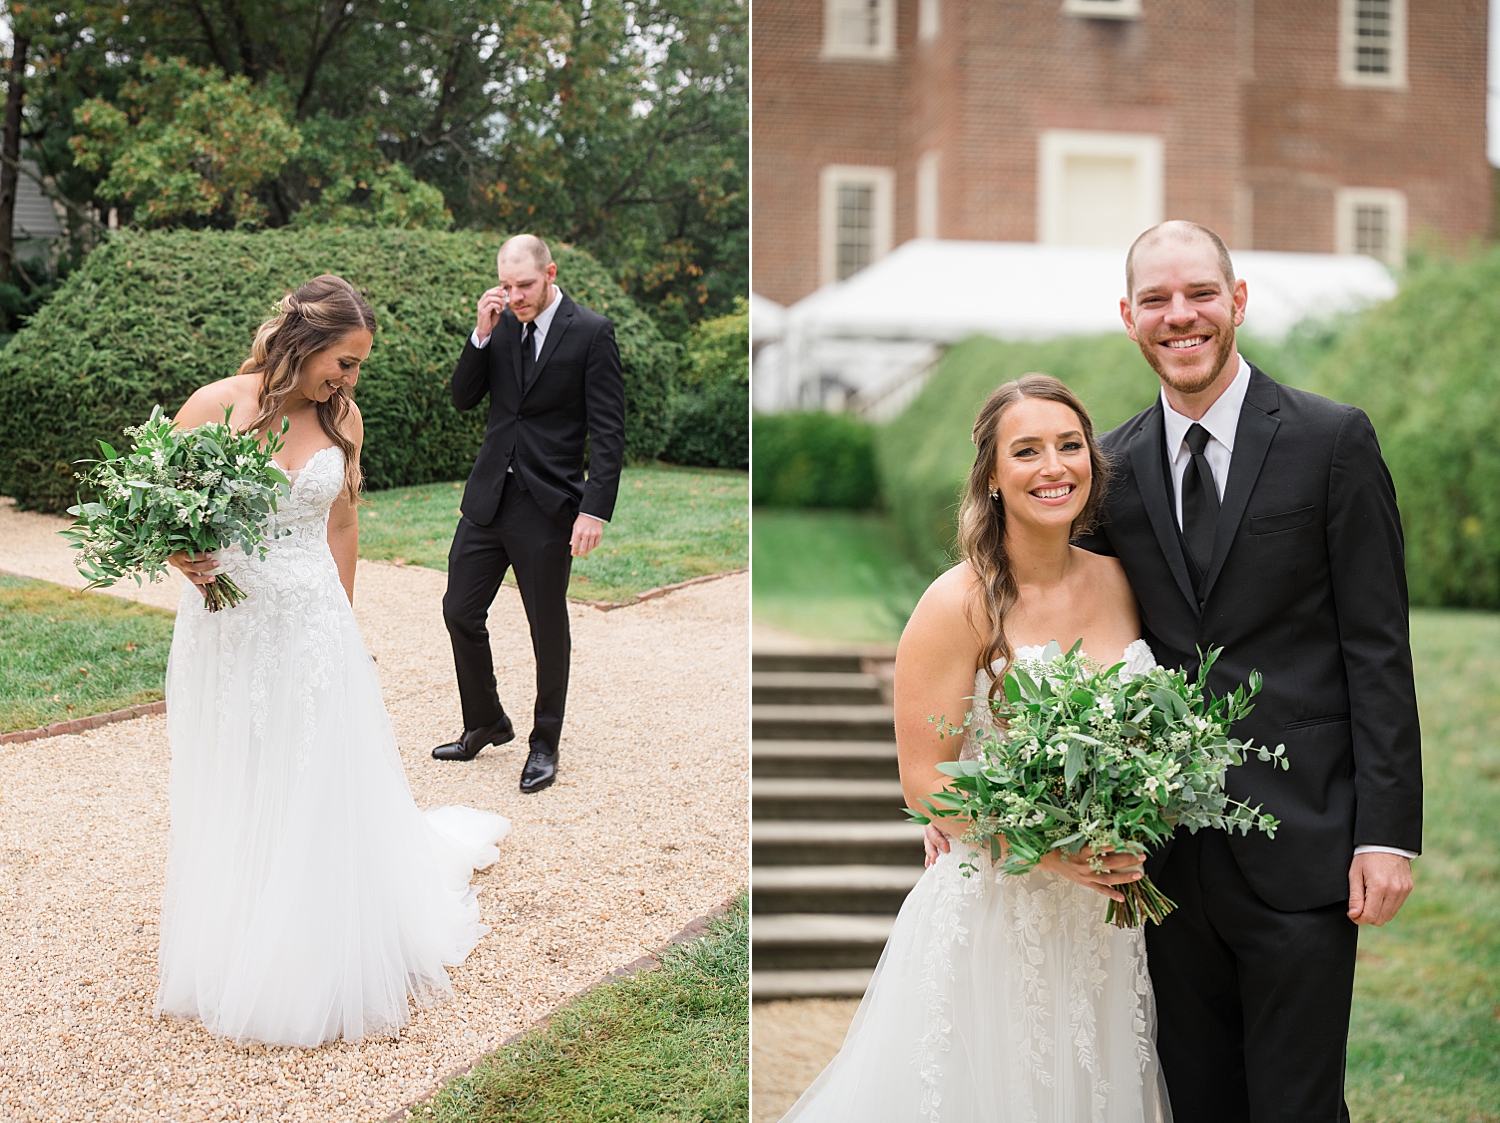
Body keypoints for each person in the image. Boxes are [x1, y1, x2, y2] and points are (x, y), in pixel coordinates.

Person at [929, 221, 1423, 1121]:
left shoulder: (1332, 441)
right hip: (1157, 863)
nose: (1179, 315)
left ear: (1237, 301)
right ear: (1129, 318)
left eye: (1199, 293)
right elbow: (1043, 618)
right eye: (1156, 299)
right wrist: (963, 798)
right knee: (1191, 1099)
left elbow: (1378, 648)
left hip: (1304, 840)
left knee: (1298, 1103)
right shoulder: (1107, 468)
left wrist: (1388, 833)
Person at [782, 375, 1173, 1122]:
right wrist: (1052, 851)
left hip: (1105, 924)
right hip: (997, 910)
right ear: (992, 475)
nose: (1053, 466)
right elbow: (925, 782)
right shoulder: (956, 602)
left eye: (1068, 445)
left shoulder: (1127, 584)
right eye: (1026, 450)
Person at [163, 274, 511, 1047]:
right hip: (229, 624)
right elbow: (163, 508)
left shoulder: (340, 417)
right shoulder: (216, 405)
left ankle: (313, 935)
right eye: (344, 363)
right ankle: (237, 930)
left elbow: (343, 521)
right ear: (304, 342)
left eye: (356, 368)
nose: (349, 381)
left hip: (312, 623)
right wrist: (179, 553)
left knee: (312, 769)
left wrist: (340, 623)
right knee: (239, 767)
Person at [433, 234, 626, 794]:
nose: (515, 296)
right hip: (488, 497)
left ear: (550, 273)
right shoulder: (501, 325)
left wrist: (595, 508)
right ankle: (486, 721)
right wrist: (481, 334)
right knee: (459, 610)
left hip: (549, 505)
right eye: (507, 285)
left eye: (526, 285)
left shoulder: (592, 332)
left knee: (547, 628)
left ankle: (545, 743)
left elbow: (609, 432)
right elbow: (463, 398)